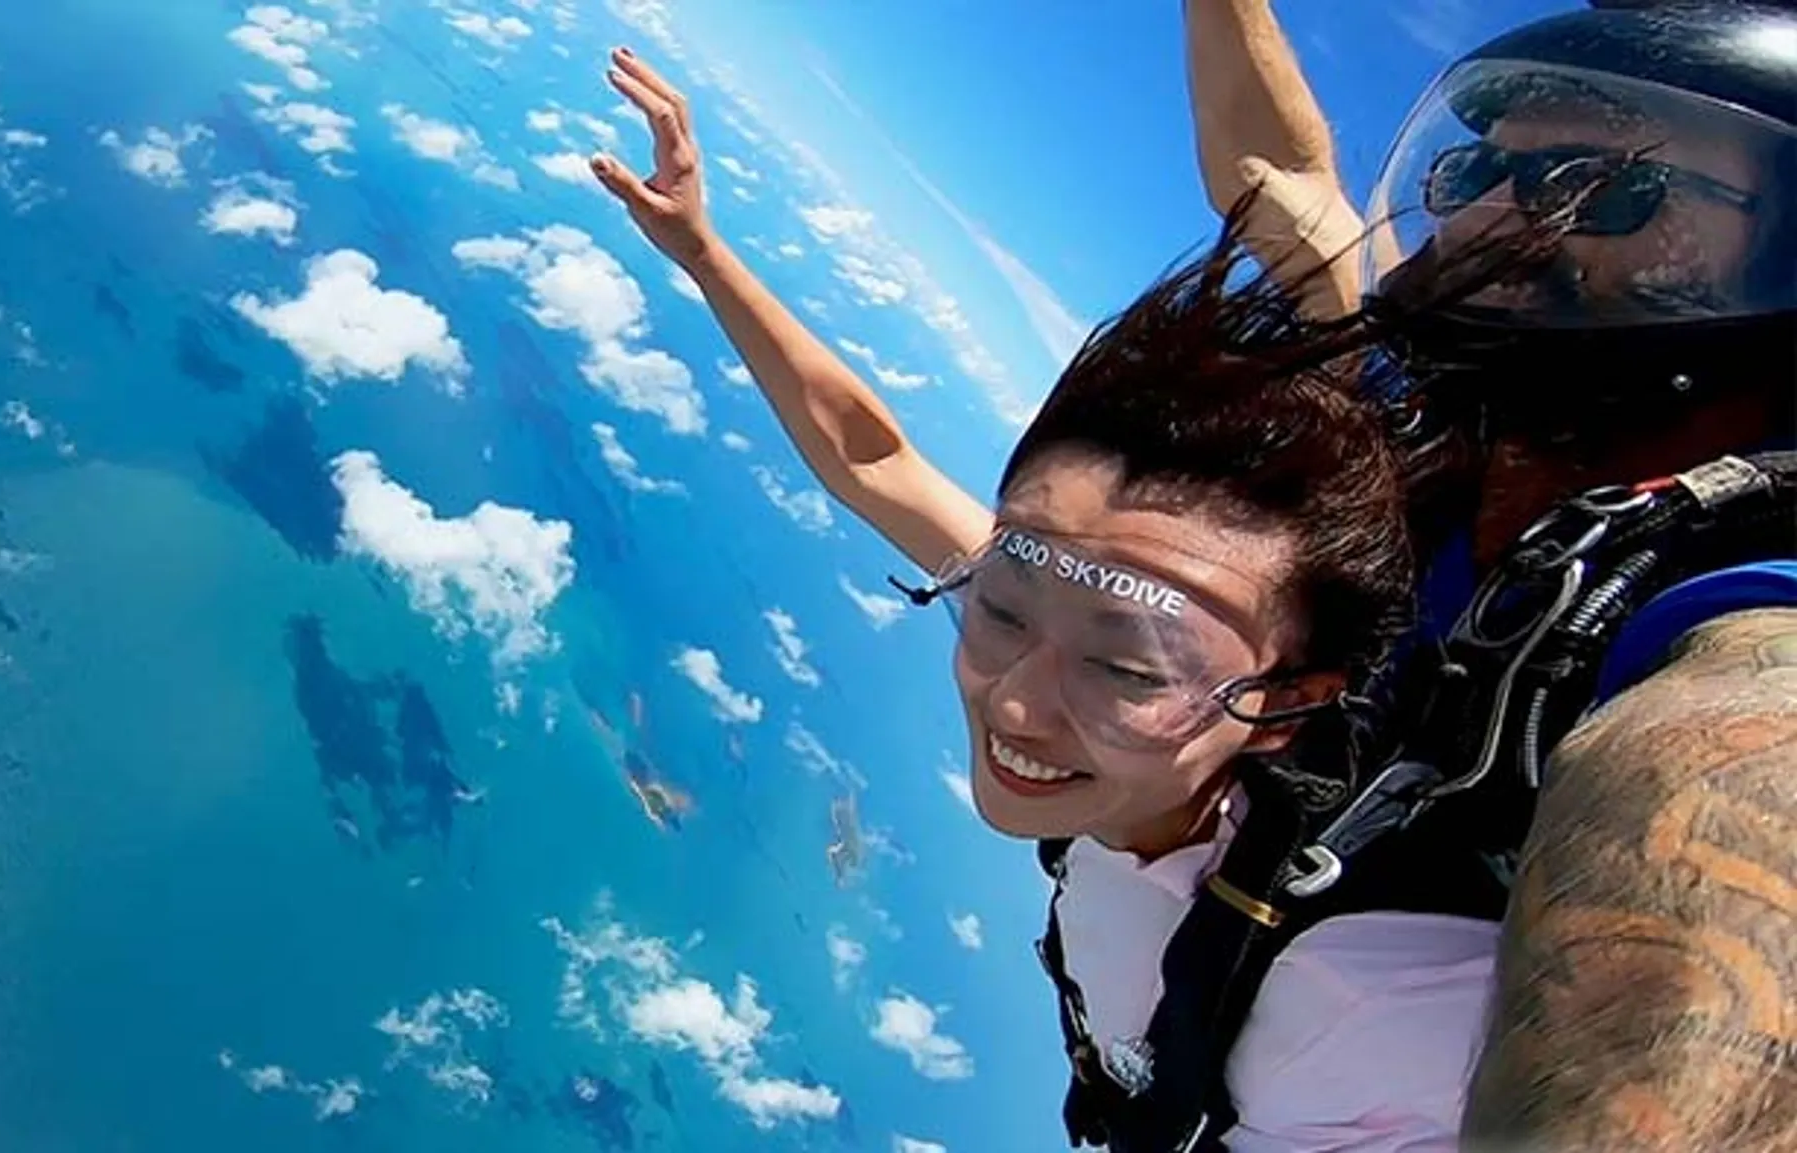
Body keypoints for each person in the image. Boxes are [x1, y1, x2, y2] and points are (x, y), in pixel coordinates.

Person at [588, 46, 1548, 1149]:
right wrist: (703, 252)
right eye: (996, 604)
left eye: (1127, 667)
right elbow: (874, 461)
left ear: (1286, 708)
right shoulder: (1103, 621)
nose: (1016, 704)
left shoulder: (1382, 1003)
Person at [1179, 2, 1797, 1150]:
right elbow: (1281, 174)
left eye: (1598, 188)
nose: (1490, 218)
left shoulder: (1740, 584)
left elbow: (1744, 772)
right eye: (1472, 169)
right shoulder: (1440, 431)